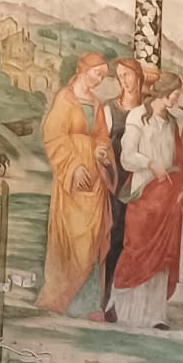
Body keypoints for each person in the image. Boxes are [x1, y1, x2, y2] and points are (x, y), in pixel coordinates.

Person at [109, 74, 183, 329]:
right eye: (175, 94)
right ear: (164, 93)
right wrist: (150, 163)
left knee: (162, 254)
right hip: (143, 192)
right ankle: (121, 308)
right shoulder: (137, 117)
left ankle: (155, 315)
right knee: (137, 249)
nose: (177, 99)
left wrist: (182, 189)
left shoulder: (172, 122)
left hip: (166, 195)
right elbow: (127, 157)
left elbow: (179, 160)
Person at [38, 51, 115, 315]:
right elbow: (53, 136)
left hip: (95, 182)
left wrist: (102, 150)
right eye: (97, 73)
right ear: (83, 69)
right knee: (71, 239)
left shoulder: (96, 104)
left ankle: (87, 305)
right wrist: (73, 166)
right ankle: (61, 299)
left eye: (103, 76)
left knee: (92, 240)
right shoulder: (65, 99)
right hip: (73, 183)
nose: (99, 80)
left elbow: (102, 136)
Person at [102, 57, 145, 309]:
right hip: (116, 181)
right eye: (120, 76)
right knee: (116, 236)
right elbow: (100, 142)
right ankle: (107, 295)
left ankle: (132, 300)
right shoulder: (110, 108)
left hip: (141, 183)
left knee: (139, 238)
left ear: (138, 76)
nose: (124, 81)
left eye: (127, 75)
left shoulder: (148, 109)